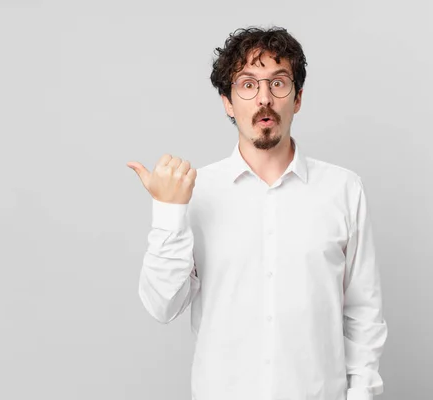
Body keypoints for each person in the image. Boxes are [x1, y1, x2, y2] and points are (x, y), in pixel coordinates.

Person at [127, 26, 387, 400]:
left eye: (278, 83)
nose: (264, 98)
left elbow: (363, 314)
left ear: (297, 98)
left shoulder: (343, 190)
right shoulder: (195, 192)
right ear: (227, 102)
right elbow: (161, 305)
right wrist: (169, 212)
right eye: (248, 85)